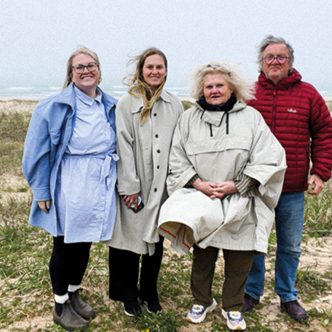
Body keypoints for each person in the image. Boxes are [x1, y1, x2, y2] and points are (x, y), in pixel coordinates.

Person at [158, 62, 286, 331]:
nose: (214, 90)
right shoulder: (189, 118)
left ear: (232, 88)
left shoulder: (251, 117)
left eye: (219, 85)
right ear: (201, 90)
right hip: (202, 198)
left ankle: (233, 306)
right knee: (203, 256)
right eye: (209, 86)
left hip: (240, 197)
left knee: (239, 258)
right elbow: (177, 157)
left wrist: (236, 185)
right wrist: (198, 184)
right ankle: (202, 301)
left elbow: (269, 158)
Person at [22, 47, 118, 331]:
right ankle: (61, 303)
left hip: (100, 180)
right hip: (69, 181)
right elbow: (35, 152)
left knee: (85, 241)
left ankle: (75, 293)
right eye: (80, 67)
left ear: (99, 70)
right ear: (71, 73)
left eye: (91, 65)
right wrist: (41, 190)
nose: (86, 70)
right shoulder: (52, 107)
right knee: (64, 243)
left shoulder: (109, 104)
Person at [243, 35, 332, 321]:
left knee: (290, 245)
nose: (275, 61)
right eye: (270, 57)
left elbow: (324, 132)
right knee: (254, 243)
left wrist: (320, 171)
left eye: (281, 57)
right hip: (255, 187)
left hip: (292, 186)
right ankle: (251, 292)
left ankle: (287, 295)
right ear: (261, 61)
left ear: (290, 61)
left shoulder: (308, 94)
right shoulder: (247, 93)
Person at [106, 47, 183, 317]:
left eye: (159, 67)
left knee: (155, 241)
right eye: (149, 67)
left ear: (166, 71)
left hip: (162, 185)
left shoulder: (174, 104)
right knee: (127, 240)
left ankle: (149, 291)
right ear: (141, 70)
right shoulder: (127, 103)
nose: (154, 72)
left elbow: (178, 145)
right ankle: (126, 294)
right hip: (133, 182)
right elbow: (123, 144)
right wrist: (129, 186)